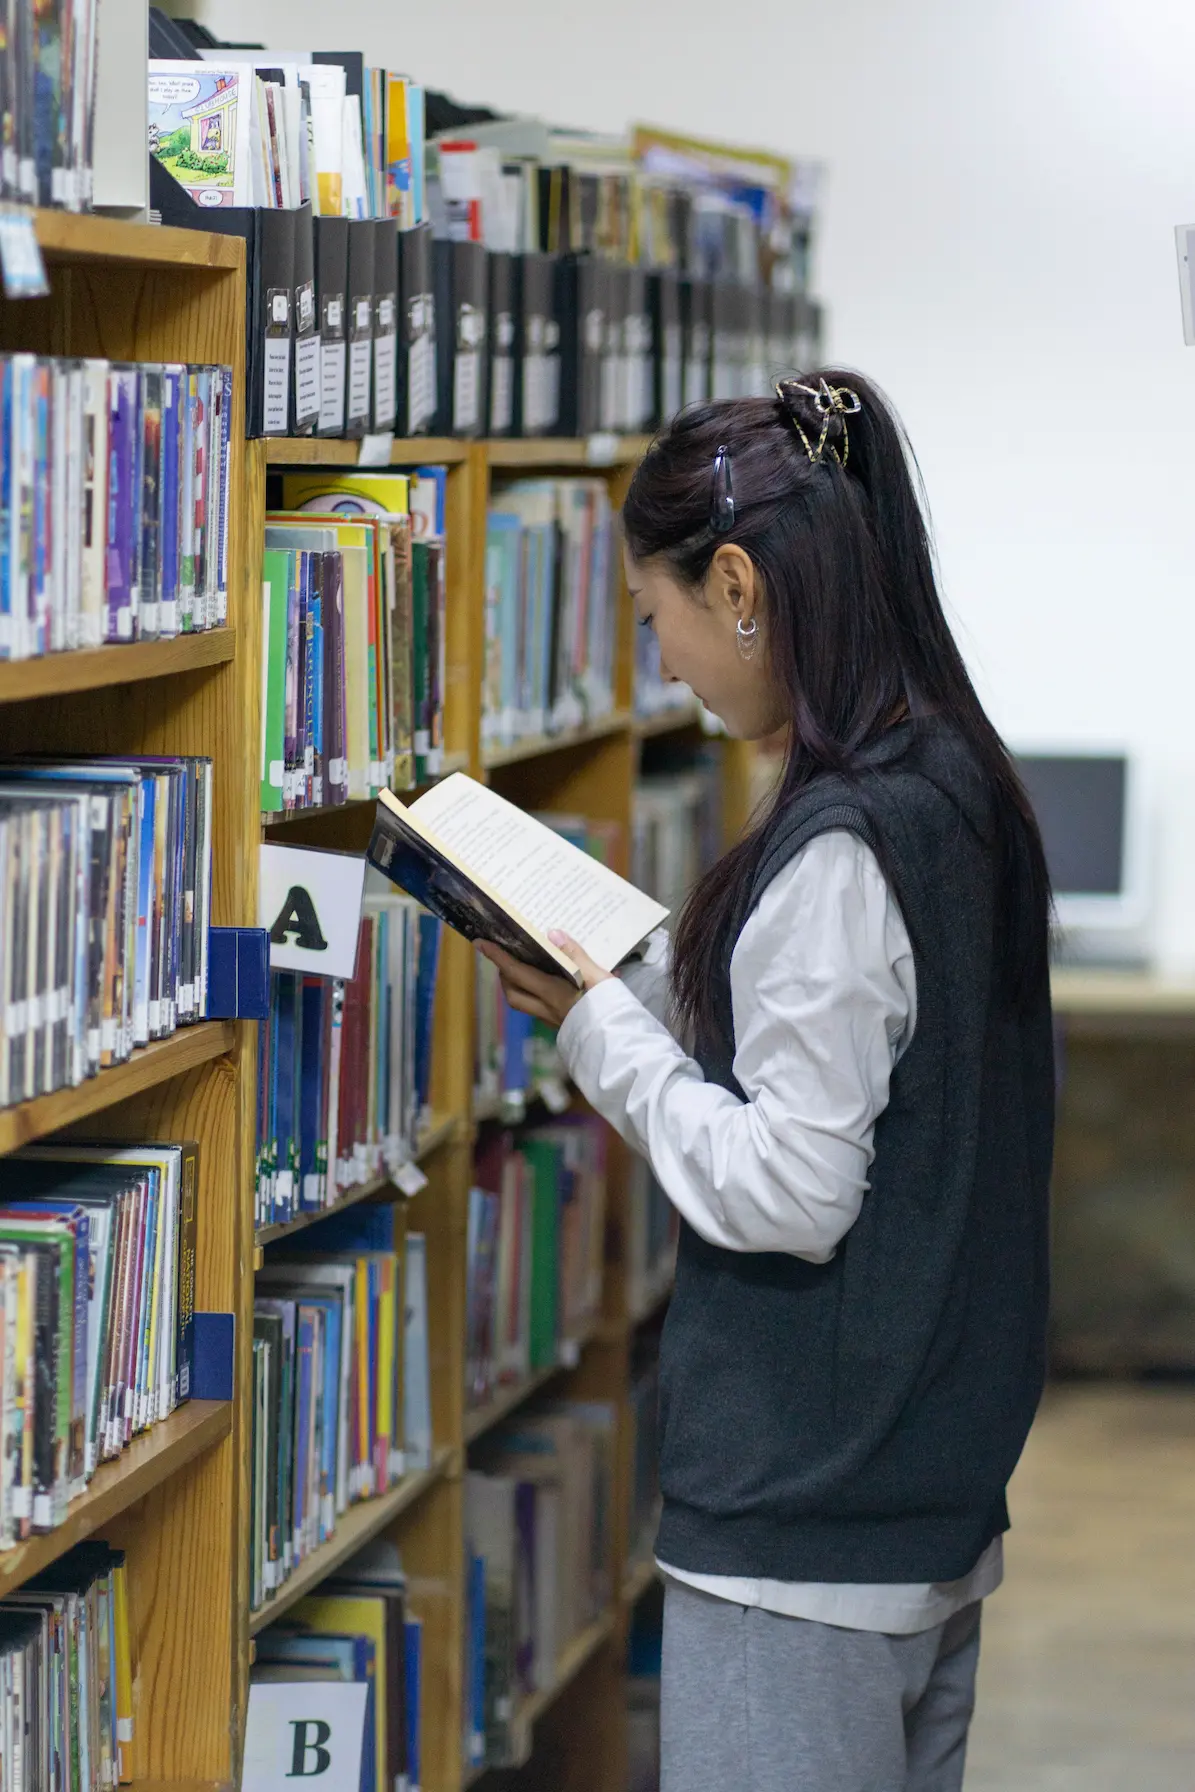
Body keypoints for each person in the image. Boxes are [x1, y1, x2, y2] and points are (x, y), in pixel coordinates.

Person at [480, 373, 1054, 1792]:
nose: (662, 659)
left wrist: (596, 1026)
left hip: (806, 1526)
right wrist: (666, 982)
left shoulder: (839, 849)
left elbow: (795, 1190)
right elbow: (891, 1074)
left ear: (735, 583)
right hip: (921, 1498)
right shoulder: (955, 783)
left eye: (657, 615)